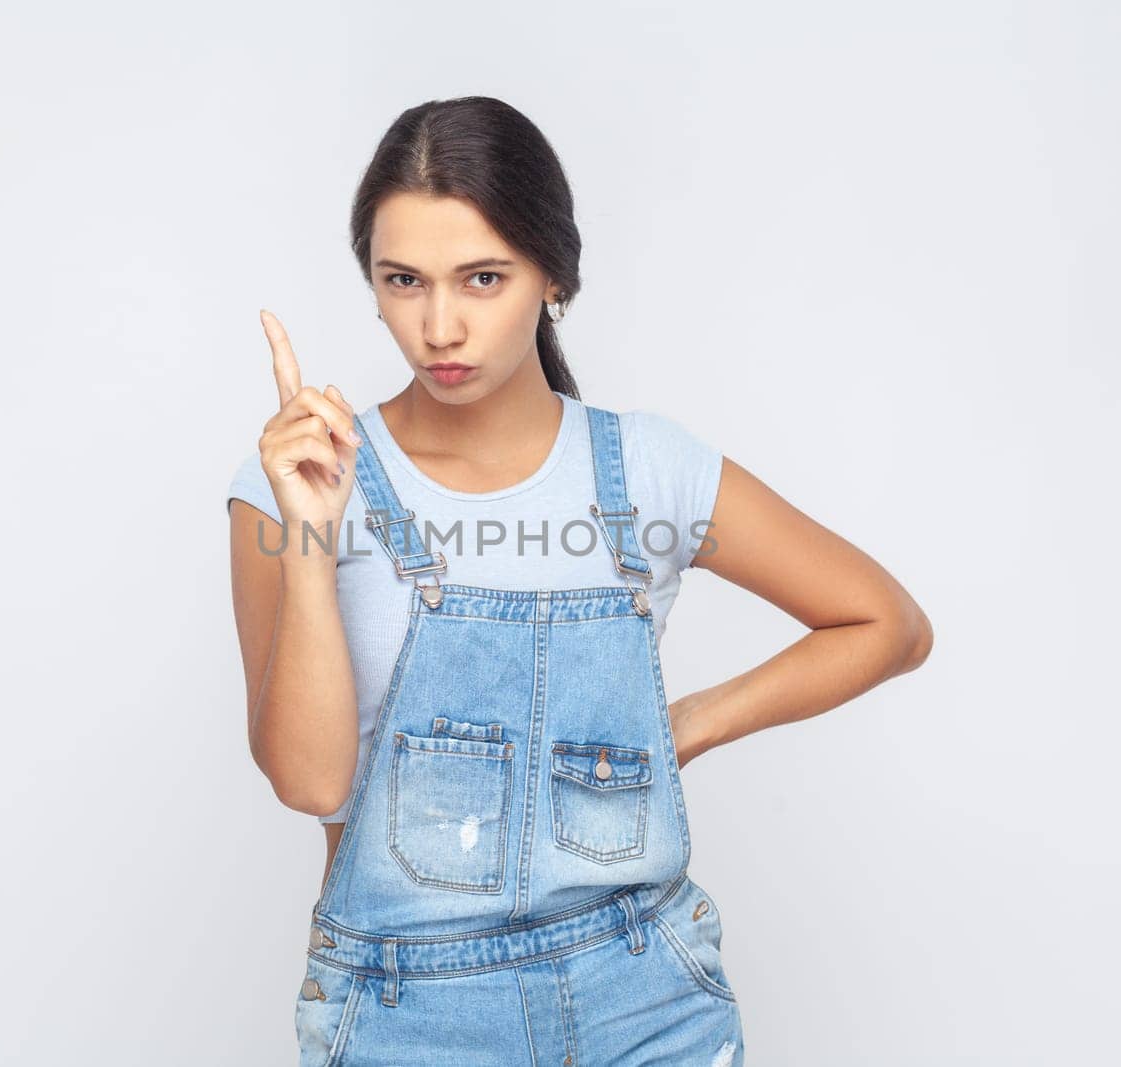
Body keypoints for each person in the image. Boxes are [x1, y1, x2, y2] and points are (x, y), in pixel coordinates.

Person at [226, 96, 933, 1067]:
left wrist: (683, 722)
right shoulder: (298, 479)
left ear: (551, 275)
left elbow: (887, 622)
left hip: (641, 992)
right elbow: (310, 781)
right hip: (403, 1007)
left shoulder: (642, 468)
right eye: (404, 281)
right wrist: (309, 532)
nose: (439, 325)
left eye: (482, 278)